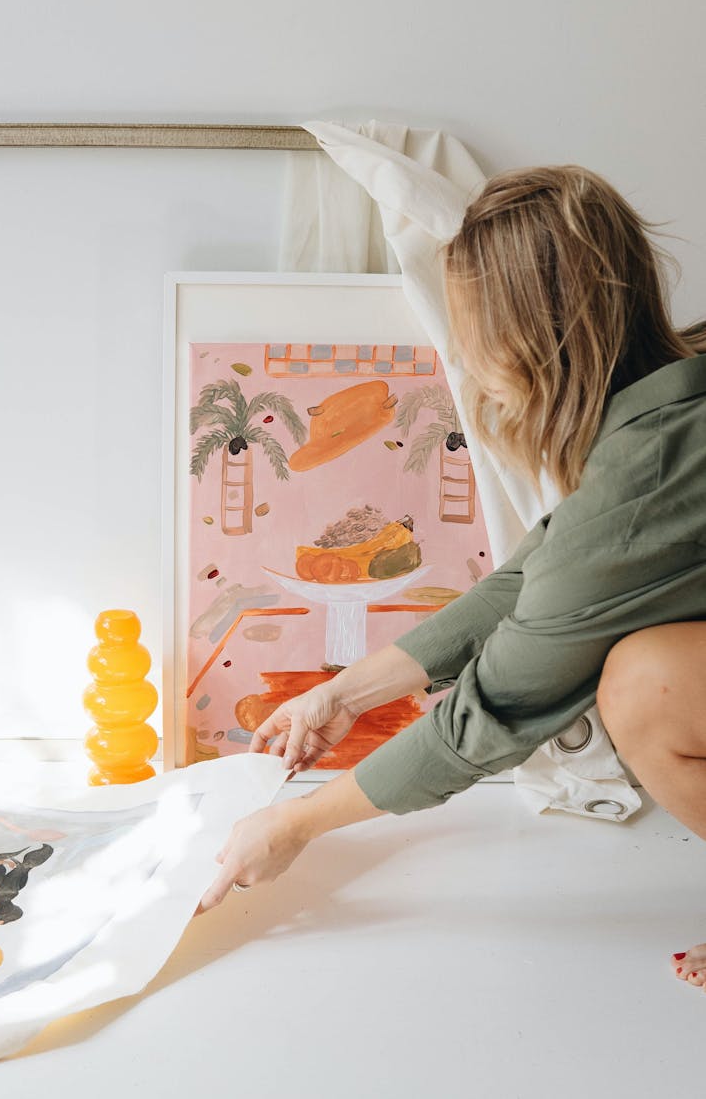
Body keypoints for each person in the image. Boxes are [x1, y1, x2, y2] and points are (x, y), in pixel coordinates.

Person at [196, 165, 706, 988]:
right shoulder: (667, 419)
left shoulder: (643, 485)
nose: (465, 359)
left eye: (472, 333)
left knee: (643, 687)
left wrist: (295, 826)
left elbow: (495, 709)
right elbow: (542, 574)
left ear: (528, 342)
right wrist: (345, 692)